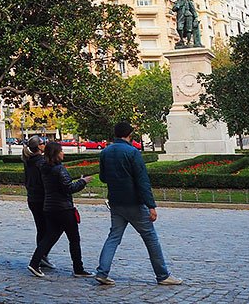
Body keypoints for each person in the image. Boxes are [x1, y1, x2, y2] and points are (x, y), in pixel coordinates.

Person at [95, 122, 182, 286]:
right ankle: (163, 275)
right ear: (129, 134)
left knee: (113, 237)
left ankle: (102, 272)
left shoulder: (105, 152)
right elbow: (142, 181)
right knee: (150, 238)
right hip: (134, 202)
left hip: (116, 202)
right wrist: (151, 205)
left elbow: (103, 178)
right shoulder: (132, 152)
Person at [28, 141, 95, 278]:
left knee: (49, 237)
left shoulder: (44, 168)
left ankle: (34, 263)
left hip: (49, 208)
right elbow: (68, 188)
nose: (63, 153)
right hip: (64, 208)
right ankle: (78, 269)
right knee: (74, 239)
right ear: (56, 154)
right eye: (61, 151)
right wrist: (83, 181)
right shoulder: (60, 169)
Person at [22, 136, 55, 270]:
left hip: (32, 198)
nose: (45, 145)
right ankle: (41, 256)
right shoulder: (41, 162)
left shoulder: (28, 161)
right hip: (42, 198)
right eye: (43, 143)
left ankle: (42, 256)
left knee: (41, 228)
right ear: (39, 147)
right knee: (49, 230)